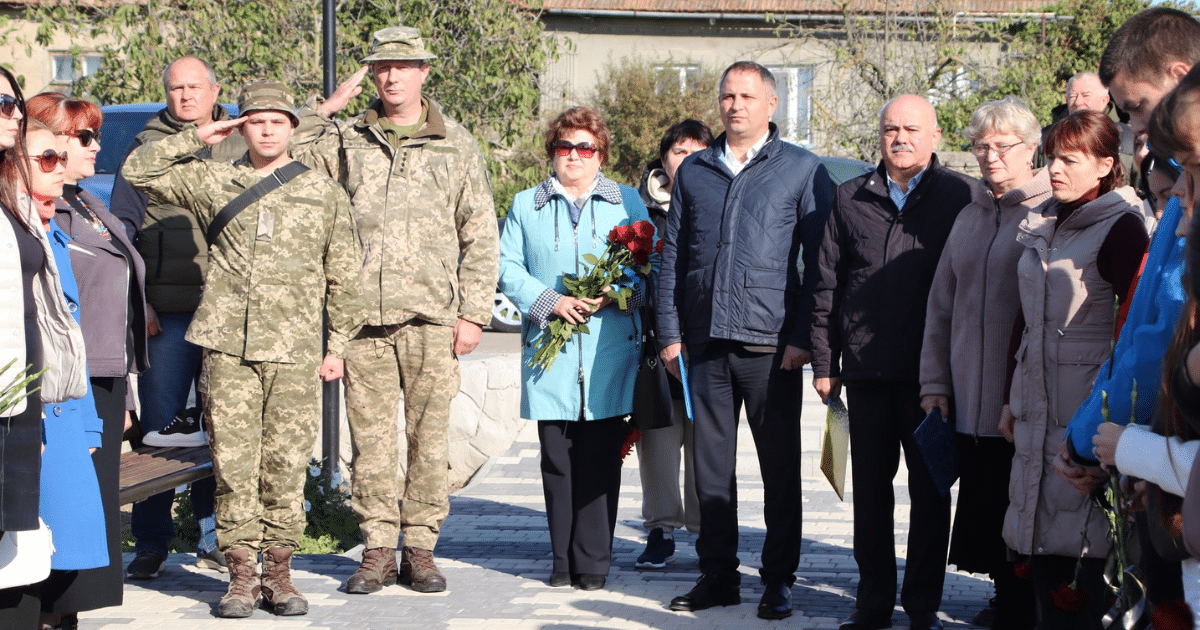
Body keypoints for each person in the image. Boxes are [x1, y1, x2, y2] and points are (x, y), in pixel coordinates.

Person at [122, 80, 365, 618]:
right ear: (242, 127)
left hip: (295, 349)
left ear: (293, 128)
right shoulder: (214, 180)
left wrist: (338, 345)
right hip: (229, 347)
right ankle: (238, 578)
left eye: (278, 120)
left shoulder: (322, 191)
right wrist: (199, 135)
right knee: (232, 464)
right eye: (256, 120)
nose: (268, 128)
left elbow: (344, 275)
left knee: (282, 464)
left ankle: (279, 573)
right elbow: (139, 172)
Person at [293, 25, 499, 595]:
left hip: (433, 316)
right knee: (372, 440)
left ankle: (421, 549)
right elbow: (286, 149)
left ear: (424, 72)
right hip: (363, 320)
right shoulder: (347, 138)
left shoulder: (455, 143)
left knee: (429, 440)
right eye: (383, 67)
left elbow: (479, 232)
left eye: (403, 66)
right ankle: (378, 548)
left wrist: (474, 311)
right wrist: (327, 108)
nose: (392, 76)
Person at [657, 61, 833, 621]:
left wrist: (804, 336)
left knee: (779, 468)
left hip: (770, 346)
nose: (736, 105)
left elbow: (822, 265)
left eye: (748, 96)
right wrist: (669, 331)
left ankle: (778, 579)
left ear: (771, 104)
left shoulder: (803, 171)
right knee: (710, 469)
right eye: (728, 95)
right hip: (704, 342)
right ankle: (718, 575)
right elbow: (673, 258)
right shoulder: (696, 171)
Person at [810, 94, 974, 630]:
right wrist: (823, 361)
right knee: (870, 496)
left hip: (934, 381)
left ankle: (923, 604)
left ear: (935, 136)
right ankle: (874, 601)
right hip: (866, 373)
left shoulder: (960, 197)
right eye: (890, 129)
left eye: (910, 128)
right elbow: (826, 283)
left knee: (931, 494)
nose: (899, 138)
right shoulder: (850, 195)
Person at [1000, 109, 1149, 630]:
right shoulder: (1045, 219)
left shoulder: (1123, 227)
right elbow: (1025, 317)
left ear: (1107, 164)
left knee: (1079, 585)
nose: (1055, 169)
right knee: (1042, 568)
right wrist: (1008, 398)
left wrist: (1111, 433)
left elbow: (1137, 332)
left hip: (1084, 423)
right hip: (1035, 416)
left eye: (1070, 159)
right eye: (1051, 157)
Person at [498, 106, 651, 591]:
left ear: (600, 154)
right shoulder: (527, 205)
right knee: (557, 459)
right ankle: (562, 560)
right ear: (553, 153)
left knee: (602, 459)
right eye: (565, 147)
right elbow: (507, 266)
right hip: (552, 351)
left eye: (585, 147)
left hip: (609, 350)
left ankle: (594, 563)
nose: (574, 156)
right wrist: (551, 300)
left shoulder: (627, 203)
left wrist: (615, 292)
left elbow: (648, 267)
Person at [110, 55, 246, 580]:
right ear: (165, 94)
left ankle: (215, 534)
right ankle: (151, 541)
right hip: (163, 316)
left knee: (221, 430)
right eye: (176, 88)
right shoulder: (145, 149)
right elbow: (121, 229)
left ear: (215, 91)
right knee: (161, 435)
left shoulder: (239, 145)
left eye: (195, 87)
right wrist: (137, 298)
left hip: (227, 312)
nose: (186, 96)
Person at [918, 97, 1048, 630]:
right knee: (986, 503)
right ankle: (1003, 597)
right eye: (981, 146)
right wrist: (934, 381)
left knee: (1018, 504)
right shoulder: (969, 214)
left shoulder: (1047, 211)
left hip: (1018, 396)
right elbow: (940, 305)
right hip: (967, 397)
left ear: (1032, 147)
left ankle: (1025, 605)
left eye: (1003, 145)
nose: (990, 156)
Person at [27, 92, 150, 625]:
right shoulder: (43, 211)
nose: (95, 146)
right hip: (65, 382)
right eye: (83, 137)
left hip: (100, 374)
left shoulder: (86, 203)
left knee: (87, 506)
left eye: (93, 135)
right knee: (61, 504)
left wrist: (123, 385)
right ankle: (53, 610)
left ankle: (68, 611)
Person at [0, 67, 88, 629]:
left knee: (13, 553)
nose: (13, 111)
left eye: (13, 101)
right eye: (2, 102)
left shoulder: (12, 194)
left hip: (17, 397)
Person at [16, 119, 109, 630]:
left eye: (59, 156)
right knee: (31, 565)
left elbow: (70, 337)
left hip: (66, 413)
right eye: (46, 159)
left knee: (63, 562)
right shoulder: (18, 236)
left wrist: (89, 423)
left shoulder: (50, 231)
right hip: (32, 412)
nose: (61, 166)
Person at [634, 119, 712, 570]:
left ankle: (705, 532)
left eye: (698, 151)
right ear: (664, 158)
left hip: (705, 345)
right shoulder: (638, 209)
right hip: (652, 345)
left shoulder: (718, 198)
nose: (688, 160)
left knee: (706, 442)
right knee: (659, 441)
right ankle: (661, 530)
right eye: (679, 152)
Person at [1038, 73, 1137, 188]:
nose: (1078, 102)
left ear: (1104, 101)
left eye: (1086, 96)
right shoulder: (1045, 137)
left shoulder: (1129, 139)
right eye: (1072, 96)